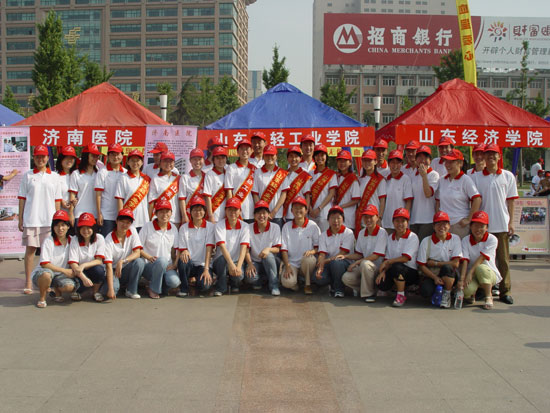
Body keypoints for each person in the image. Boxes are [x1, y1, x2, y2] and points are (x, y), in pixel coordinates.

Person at [472, 144, 518, 305]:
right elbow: (473, 201)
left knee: (503, 260)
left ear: (499, 156)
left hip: (501, 224)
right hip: (481, 227)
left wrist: (511, 221)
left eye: (494, 154)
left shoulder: (507, 176)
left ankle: (505, 291)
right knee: (481, 259)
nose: (490, 157)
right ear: (483, 157)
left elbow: (511, 201)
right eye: (487, 154)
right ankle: (482, 289)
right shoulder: (476, 177)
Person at [18, 145, 61, 295]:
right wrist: (20, 218)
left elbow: (57, 199)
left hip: (49, 221)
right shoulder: (28, 175)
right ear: (33, 158)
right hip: (31, 219)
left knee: (47, 253)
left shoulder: (54, 176)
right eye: (37, 156)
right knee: (30, 251)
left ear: (48, 158)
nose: (40, 159)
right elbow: (22, 198)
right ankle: (28, 282)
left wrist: (57, 219)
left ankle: (46, 281)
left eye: (43, 156)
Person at [342, 204, 387, 303]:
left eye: (371, 217)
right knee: (346, 278)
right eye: (366, 217)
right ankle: (370, 289)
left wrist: (356, 263)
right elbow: (359, 254)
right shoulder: (362, 233)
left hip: (377, 269)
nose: (368, 220)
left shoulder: (382, 232)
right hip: (364, 267)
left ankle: (369, 294)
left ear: (377, 217)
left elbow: (375, 256)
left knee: (365, 263)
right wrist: (345, 256)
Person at [416, 211, 462, 308]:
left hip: (449, 273)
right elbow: (421, 265)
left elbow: (455, 263)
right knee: (425, 291)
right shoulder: (426, 241)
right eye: (438, 224)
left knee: (447, 268)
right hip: (432, 274)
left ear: (449, 226)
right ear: (433, 226)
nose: (441, 227)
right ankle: (438, 291)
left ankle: (447, 294)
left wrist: (435, 263)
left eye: (444, 224)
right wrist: (435, 278)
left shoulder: (455, 239)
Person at [375, 208, 419, 307]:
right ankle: (396, 288)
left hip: (410, 271)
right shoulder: (390, 238)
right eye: (397, 221)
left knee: (397, 266)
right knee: (381, 283)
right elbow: (387, 258)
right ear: (393, 222)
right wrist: (383, 272)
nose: (400, 224)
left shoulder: (412, 237)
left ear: (407, 223)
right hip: (394, 268)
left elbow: (405, 258)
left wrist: (388, 262)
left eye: (403, 221)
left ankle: (401, 295)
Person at [458, 210, 501, 310]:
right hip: (472, 274)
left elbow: (482, 258)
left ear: (487, 227)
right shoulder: (466, 240)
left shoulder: (492, 239)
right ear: (470, 226)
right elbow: (465, 260)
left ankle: (488, 296)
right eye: (475, 226)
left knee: (481, 268)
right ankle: (472, 294)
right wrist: (462, 279)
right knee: (465, 291)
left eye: (481, 226)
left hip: (488, 272)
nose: (478, 229)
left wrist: (470, 273)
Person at [31, 210, 74, 308]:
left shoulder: (72, 240)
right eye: (57, 225)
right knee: (46, 274)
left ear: (68, 226)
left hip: (60, 275)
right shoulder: (48, 241)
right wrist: (65, 271)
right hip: (44, 273)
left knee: (69, 287)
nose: (60, 228)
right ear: (53, 227)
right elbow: (44, 264)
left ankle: (56, 290)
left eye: (63, 225)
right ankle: (42, 298)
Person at [436, 149, 481, 239]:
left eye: (451, 162)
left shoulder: (465, 180)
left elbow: (477, 199)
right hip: (444, 225)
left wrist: (469, 219)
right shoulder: (442, 180)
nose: (447, 165)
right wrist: (438, 218)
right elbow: (438, 201)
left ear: (460, 163)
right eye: (446, 162)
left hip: (459, 225)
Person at [139, 200, 180, 299]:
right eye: (161, 212)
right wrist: (149, 257)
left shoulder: (173, 228)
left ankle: (157, 286)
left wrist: (175, 264)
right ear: (156, 213)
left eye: (167, 211)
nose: (164, 215)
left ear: (171, 213)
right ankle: (154, 289)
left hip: (167, 267)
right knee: (161, 261)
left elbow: (178, 249)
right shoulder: (147, 227)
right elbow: (138, 248)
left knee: (175, 282)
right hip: (149, 266)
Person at [212, 197, 253, 295]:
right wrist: (231, 264)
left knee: (239, 276)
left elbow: (244, 248)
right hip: (221, 261)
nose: (232, 212)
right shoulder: (219, 225)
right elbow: (222, 247)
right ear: (225, 211)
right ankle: (221, 287)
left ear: (240, 211)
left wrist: (238, 266)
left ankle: (234, 283)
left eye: (235, 210)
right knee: (222, 260)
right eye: (230, 209)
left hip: (236, 261)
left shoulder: (245, 226)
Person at [280, 196, 320, 294]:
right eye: (295, 208)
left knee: (309, 259)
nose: (298, 210)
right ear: (291, 211)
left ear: (306, 210)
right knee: (287, 283)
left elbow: (318, 247)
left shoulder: (313, 225)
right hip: (292, 263)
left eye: (301, 208)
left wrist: (312, 251)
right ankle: (296, 283)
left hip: (306, 263)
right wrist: (287, 265)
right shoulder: (286, 227)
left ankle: (307, 284)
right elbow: (284, 249)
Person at [103, 208, 144, 300]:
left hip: (125, 267)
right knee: (113, 290)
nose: (125, 225)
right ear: (116, 221)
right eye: (122, 221)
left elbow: (137, 253)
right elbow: (108, 266)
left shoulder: (132, 231)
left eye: (128, 222)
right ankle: (105, 288)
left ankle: (131, 290)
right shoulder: (108, 239)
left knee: (139, 262)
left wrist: (122, 261)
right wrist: (111, 289)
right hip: (112, 270)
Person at [177, 196, 215, 296]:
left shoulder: (210, 227)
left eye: (200, 210)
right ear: (190, 212)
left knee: (204, 286)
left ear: (204, 212)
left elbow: (209, 249)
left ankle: (198, 282)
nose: (198, 212)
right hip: (190, 264)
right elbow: (182, 248)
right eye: (195, 210)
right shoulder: (183, 228)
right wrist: (184, 250)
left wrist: (206, 269)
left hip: (203, 265)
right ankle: (184, 288)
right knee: (183, 260)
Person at [314, 205, 355, 298]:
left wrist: (324, 261)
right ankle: (333, 283)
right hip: (329, 264)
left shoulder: (348, 233)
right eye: (332, 218)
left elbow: (341, 254)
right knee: (317, 278)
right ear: (328, 220)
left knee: (336, 262)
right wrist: (320, 266)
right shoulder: (323, 235)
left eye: (338, 218)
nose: (335, 221)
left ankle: (339, 289)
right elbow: (322, 254)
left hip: (344, 263)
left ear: (343, 219)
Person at [245, 201, 282, 296]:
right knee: (250, 278)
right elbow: (246, 249)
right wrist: (250, 264)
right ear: (254, 215)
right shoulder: (248, 228)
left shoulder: (275, 227)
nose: (261, 216)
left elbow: (278, 249)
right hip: (255, 261)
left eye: (264, 213)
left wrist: (268, 249)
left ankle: (274, 286)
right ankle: (264, 279)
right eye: (258, 213)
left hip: (271, 261)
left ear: (268, 214)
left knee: (268, 256)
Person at [68, 213, 106, 302]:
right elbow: (73, 263)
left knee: (99, 271)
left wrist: (84, 265)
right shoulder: (75, 239)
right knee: (80, 283)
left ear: (93, 228)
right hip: (79, 271)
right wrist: (84, 278)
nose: (85, 231)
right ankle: (79, 291)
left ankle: (95, 292)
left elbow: (99, 260)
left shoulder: (99, 238)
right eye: (83, 228)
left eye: (89, 227)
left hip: (92, 268)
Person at [252, 144, 289, 228]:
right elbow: (255, 194)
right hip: (261, 216)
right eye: (267, 155)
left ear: (276, 157)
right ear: (263, 156)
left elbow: (283, 194)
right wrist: (261, 212)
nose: (269, 158)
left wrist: (273, 212)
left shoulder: (282, 173)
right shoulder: (257, 173)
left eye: (272, 155)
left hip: (277, 214)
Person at [95, 143, 126, 236]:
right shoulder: (102, 172)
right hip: (106, 215)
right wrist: (99, 213)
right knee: (107, 240)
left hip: (122, 216)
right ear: (108, 156)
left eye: (117, 154)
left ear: (122, 155)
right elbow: (98, 194)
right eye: (112, 154)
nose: (115, 157)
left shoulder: (126, 172)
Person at [115, 149, 150, 231]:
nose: (135, 163)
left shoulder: (146, 179)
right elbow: (119, 199)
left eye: (137, 160)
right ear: (128, 162)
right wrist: (121, 218)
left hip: (144, 219)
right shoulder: (123, 178)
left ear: (142, 162)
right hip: (128, 220)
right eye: (132, 160)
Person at [305, 144, 337, 232]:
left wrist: (319, 208)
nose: (320, 158)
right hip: (311, 213)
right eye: (317, 155)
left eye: (322, 155)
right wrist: (310, 209)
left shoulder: (331, 174)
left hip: (325, 212)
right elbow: (307, 193)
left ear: (326, 157)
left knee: (325, 235)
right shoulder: (310, 174)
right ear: (314, 157)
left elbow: (331, 193)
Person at [410, 145, 440, 242]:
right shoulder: (413, 174)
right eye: (420, 157)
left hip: (428, 220)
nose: (422, 161)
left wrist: (424, 176)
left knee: (423, 246)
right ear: (416, 160)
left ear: (430, 160)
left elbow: (428, 193)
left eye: (425, 157)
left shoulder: (434, 175)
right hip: (413, 219)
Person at [224, 139, 256, 224]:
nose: (244, 151)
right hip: (236, 210)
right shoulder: (231, 168)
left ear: (251, 151)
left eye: (247, 149)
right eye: (242, 149)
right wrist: (231, 209)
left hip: (251, 210)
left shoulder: (255, 169)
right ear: (237, 151)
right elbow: (229, 190)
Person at [148, 151, 182, 225]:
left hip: (175, 218)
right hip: (159, 218)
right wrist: (149, 219)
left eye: (170, 161)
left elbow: (181, 200)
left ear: (174, 163)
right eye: (165, 161)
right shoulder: (155, 178)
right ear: (160, 163)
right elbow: (151, 201)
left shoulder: (179, 178)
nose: (168, 164)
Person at [69, 143, 101, 224]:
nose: (95, 158)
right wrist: (71, 213)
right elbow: (72, 196)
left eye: (97, 156)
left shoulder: (99, 174)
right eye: (93, 156)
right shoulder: (76, 174)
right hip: (79, 214)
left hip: (95, 215)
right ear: (86, 156)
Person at [382, 150, 413, 232]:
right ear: (389, 164)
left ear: (401, 164)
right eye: (392, 162)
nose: (395, 165)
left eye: (398, 163)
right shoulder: (385, 179)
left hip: (400, 223)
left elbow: (408, 201)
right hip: (386, 221)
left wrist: (405, 218)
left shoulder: (405, 179)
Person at [356, 149, 386, 232]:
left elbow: (382, 201)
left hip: (374, 218)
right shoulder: (359, 179)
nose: (367, 163)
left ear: (375, 161)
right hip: (362, 218)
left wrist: (380, 217)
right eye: (364, 160)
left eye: (369, 160)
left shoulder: (380, 180)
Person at [282, 146, 311, 223]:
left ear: (300, 158)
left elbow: (307, 196)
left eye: (296, 156)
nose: (293, 159)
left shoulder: (305, 175)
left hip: (300, 213)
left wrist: (306, 211)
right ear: (287, 158)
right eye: (291, 156)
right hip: (286, 213)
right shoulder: (283, 174)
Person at [334, 150, 360, 231]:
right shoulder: (336, 177)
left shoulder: (353, 179)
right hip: (335, 217)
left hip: (348, 217)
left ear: (350, 163)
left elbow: (356, 200)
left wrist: (341, 206)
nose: (342, 163)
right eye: (340, 161)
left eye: (345, 161)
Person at [178, 148, 206, 221]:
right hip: (189, 214)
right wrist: (184, 216)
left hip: (203, 214)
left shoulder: (207, 177)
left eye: (199, 159)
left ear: (203, 160)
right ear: (190, 161)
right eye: (194, 159)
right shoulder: (185, 178)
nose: (197, 162)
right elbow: (182, 198)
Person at [203, 146, 228, 223]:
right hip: (215, 215)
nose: (220, 161)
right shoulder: (210, 174)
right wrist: (210, 215)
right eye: (218, 158)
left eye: (223, 158)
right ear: (213, 160)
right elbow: (207, 196)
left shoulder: (229, 173)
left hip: (228, 215)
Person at [55, 146, 78, 214]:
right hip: (60, 213)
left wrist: (76, 200)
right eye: (66, 157)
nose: (69, 160)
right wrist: (61, 201)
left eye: (71, 158)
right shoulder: (55, 176)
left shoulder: (78, 176)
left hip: (75, 213)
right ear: (61, 159)